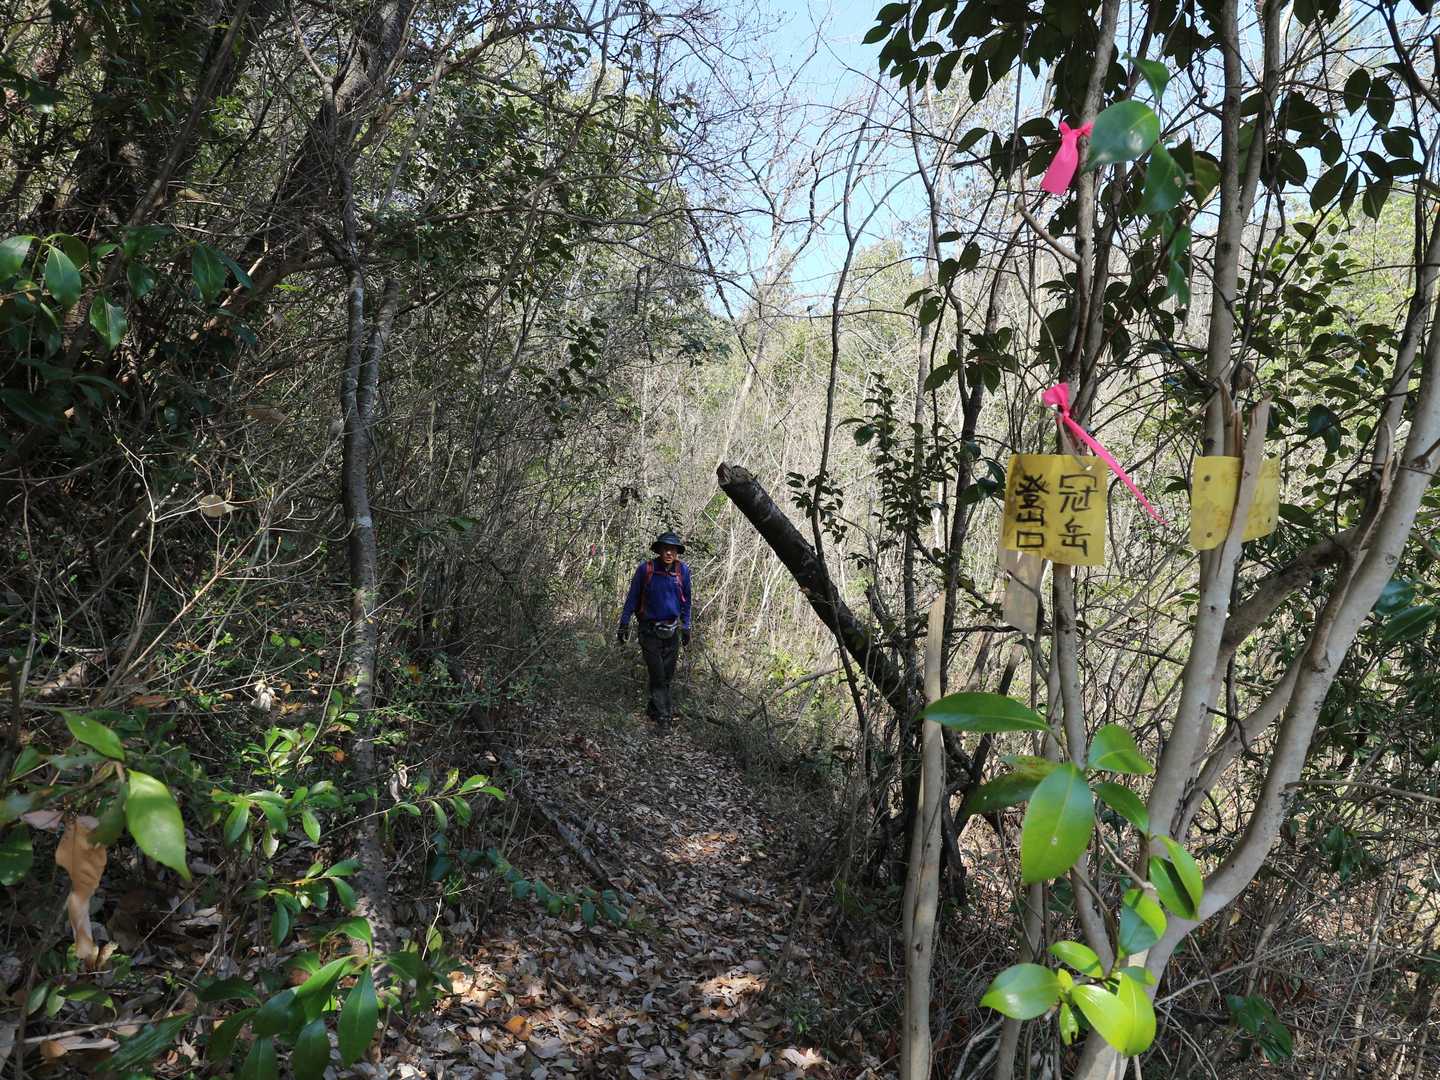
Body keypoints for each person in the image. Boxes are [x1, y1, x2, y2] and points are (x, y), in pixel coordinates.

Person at [617, 532, 693, 727]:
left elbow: (686, 601)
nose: (669, 553)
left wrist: (686, 626)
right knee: (658, 674)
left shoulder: (682, 571)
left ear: (677, 551)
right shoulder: (646, 569)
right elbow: (632, 597)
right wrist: (624, 623)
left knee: (667, 675)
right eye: (665, 548)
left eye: (673, 549)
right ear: (659, 549)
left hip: (672, 631)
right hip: (648, 631)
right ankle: (664, 716)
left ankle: (653, 709)